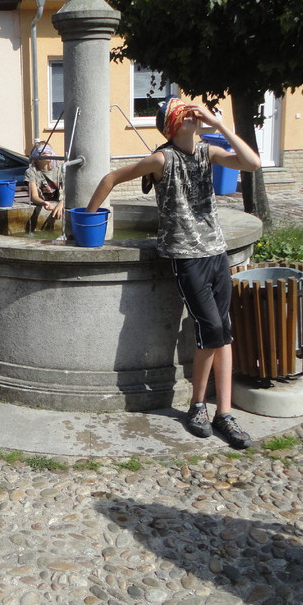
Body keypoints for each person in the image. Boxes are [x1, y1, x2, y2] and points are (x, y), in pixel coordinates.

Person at [86, 98, 262, 449]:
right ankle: (198, 405)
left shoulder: (207, 152)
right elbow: (111, 178)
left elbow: (252, 163)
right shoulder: (161, 159)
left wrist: (218, 123)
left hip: (216, 252)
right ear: (173, 125)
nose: (192, 116)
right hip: (185, 256)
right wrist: (86, 220)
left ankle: (224, 413)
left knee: (223, 329)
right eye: (184, 114)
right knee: (210, 329)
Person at [25, 141, 64, 231]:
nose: (47, 152)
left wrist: (61, 204)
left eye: (49, 150)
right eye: (43, 151)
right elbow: (34, 196)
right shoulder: (31, 171)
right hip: (45, 202)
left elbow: (70, 191)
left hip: (59, 201)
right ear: (36, 157)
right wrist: (43, 203)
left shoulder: (61, 168)